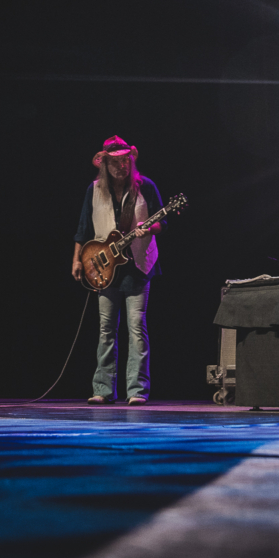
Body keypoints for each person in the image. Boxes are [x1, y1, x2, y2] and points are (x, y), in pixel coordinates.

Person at [72, 136, 164, 405]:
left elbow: (162, 223)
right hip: (104, 266)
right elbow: (83, 229)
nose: (121, 165)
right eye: (115, 161)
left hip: (138, 264)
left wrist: (149, 227)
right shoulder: (94, 190)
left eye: (126, 160)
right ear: (105, 164)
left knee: (136, 327)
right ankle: (102, 389)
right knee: (105, 329)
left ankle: (136, 391)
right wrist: (77, 260)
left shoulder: (146, 187)